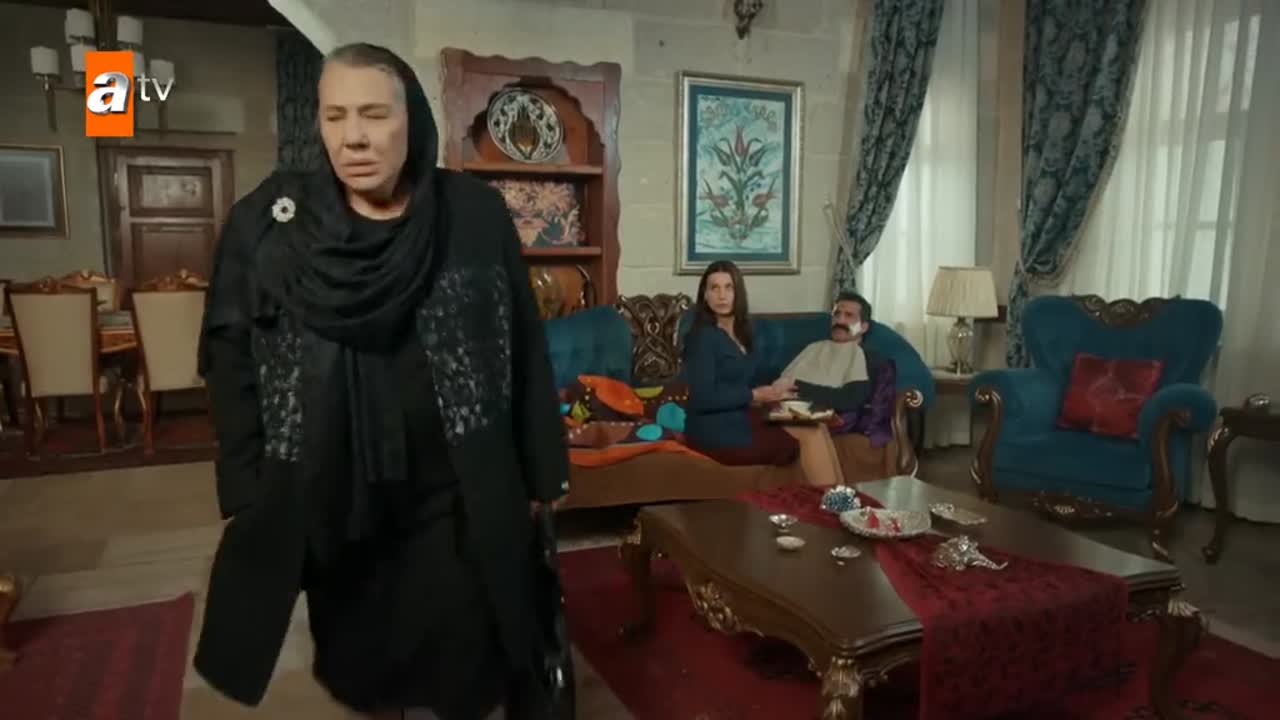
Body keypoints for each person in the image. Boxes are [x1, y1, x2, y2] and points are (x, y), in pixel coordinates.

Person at [192, 43, 568, 720]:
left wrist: (542, 473)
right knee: (365, 668)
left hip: (457, 490)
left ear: (411, 119)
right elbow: (228, 354)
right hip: (334, 495)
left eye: (373, 114)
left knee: (466, 660)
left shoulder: (472, 215)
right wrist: (247, 486)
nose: (353, 137)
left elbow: (523, 343)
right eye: (335, 116)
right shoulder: (271, 224)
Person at [682, 261, 817, 473]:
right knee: (797, 444)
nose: (721, 295)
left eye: (729, 287)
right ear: (705, 296)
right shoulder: (702, 338)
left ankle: (834, 492)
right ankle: (826, 493)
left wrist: (777, 388)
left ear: (738, 293)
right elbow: (702, 398)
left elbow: (744, 377)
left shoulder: (744, 334)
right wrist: (754, 395)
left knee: (813, 430)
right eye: (714, 288)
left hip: (739, 419)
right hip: (713, 430)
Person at [780, 291, 887, 413]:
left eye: (849, 316)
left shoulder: (867, 357)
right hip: (782, 410)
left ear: (864, 327)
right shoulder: (813, 347)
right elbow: (781, 383)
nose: (840, 321)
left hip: (821, 417)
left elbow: (850, 399)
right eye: (836, 314)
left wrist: (798, 386)